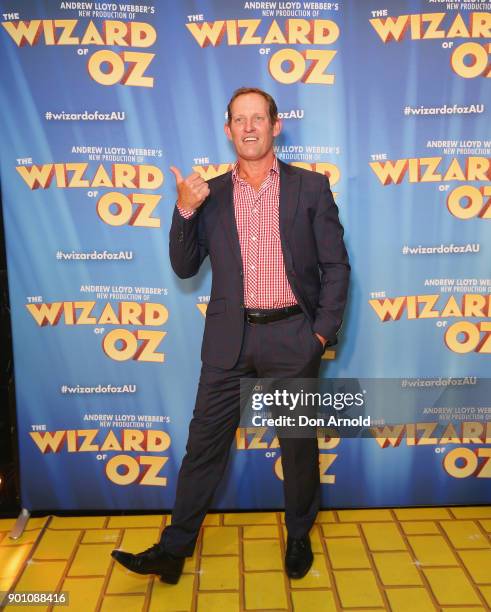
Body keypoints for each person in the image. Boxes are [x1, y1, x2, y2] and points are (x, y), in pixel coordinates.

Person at [112, 87, 350, 584]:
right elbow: (183, 268)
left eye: (257, 118)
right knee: (203, 447)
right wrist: (183, 209)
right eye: (238, 119)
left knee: (298, 445)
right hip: (229, 338)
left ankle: (299, 536)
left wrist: (320, 334)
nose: (248, 127)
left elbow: (336, 266)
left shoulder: (311, 187)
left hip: (292, 336)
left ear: (275, 125)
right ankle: (174, 551)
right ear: (228, 131)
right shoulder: (210, 194)